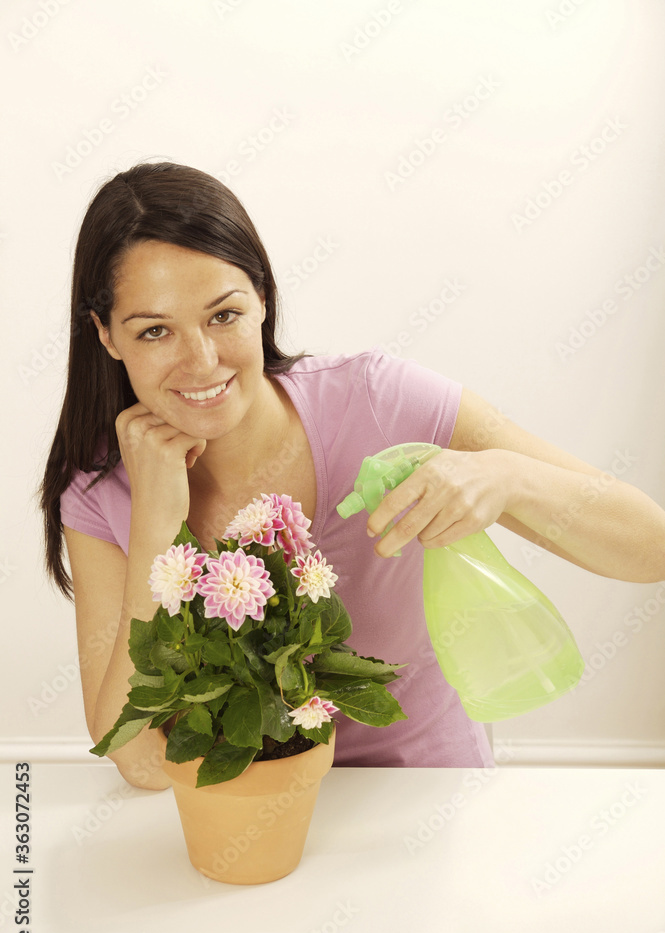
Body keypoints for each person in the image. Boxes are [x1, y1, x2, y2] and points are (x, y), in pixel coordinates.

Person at [39, 161, 665, 789]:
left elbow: (651, 546)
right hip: (249, 823)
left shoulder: (378, 401)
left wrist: (506, 478)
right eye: (154, 330)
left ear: (262, 298)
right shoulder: (98, 491)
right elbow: (142, 762)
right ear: (107, 336)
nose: (201, 361)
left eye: (223, 315)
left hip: (428, 803)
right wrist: (155, 528)